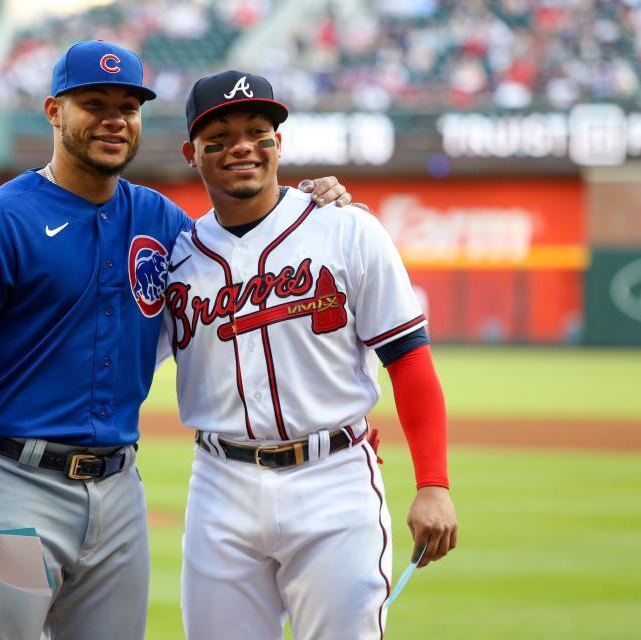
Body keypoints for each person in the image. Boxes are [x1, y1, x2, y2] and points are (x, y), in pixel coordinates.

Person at [0, 41, 356, 640]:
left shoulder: (161, 221)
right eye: (93, 103)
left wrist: (307, 206)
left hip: (120, 494)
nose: (113, 119)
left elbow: (248, 258)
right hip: (17, 488)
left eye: (129, 106)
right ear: (54, 111)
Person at [161, 70, 458, 640]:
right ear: (192, 154)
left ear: (279, 144)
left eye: (258, 131)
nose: (241, 146)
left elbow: (409, 358)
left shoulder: (344, 228)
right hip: (220, 486)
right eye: (218, 137)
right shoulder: (178, 255)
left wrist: (434, 482)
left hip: (334, 481)